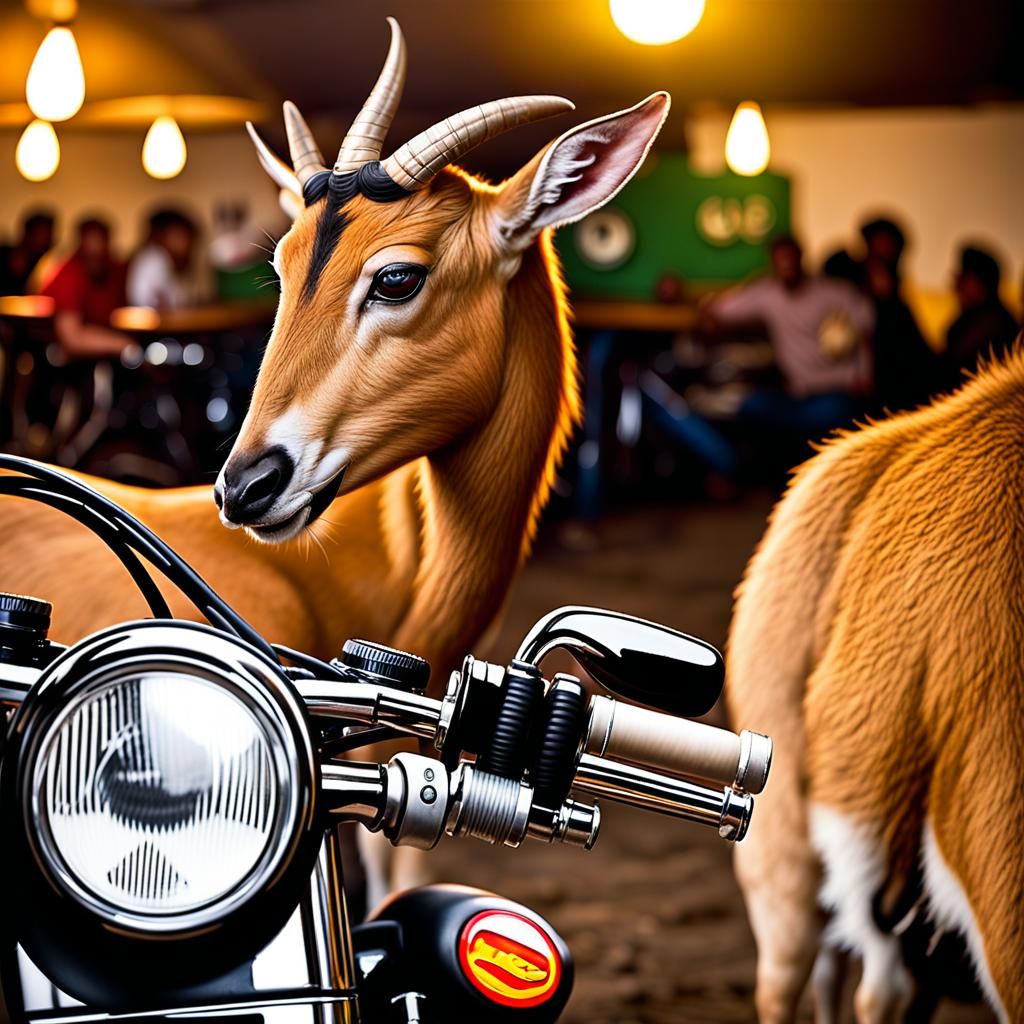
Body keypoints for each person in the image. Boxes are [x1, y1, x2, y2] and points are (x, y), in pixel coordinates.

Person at [706, 234, 875, 441]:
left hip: (836, 390)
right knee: (749, 407)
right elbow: (720, 309)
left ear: (801, 256)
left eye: (790, 257)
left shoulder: (833, 292)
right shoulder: (768, 293)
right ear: (772, 261)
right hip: (797, 395)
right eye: (779, 259)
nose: (786, 264)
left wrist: (864, 372)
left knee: (828, 417)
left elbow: (865, 326)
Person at [834, 217, 938, 413]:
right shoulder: (845, 279)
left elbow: (913, 349)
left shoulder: (895, 300)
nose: (885, 252)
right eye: (879, 245)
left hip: (896, 385)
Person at [40, 217, 132, 359]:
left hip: (106, 353)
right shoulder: (68, 275)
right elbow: (71, 339)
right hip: (63, 363)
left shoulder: (115, 270)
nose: (95, 248)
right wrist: (125, 345)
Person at [937, 245, 1019, 392]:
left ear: (978, 284)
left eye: (963, 278)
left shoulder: (992, 327)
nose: (955, 285)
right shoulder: (977, 322)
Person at [127, 208, 199, 310]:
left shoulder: (163, 259)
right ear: (161, 235)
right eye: (180, 236)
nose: (186, 244)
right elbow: (156, 305)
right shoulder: (154, 258)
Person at [0, 210, 55, 296]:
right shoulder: (4, 253)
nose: (43, 241)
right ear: (27, 233)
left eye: (47, 236)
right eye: (39, 235)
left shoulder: (43, 264)